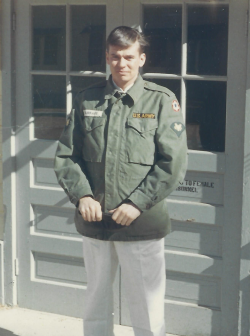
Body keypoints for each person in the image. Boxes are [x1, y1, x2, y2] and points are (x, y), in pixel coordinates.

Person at [54, 26, 187, 336]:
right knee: (95, 302)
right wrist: (83, 197)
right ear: (107, 58)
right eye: (115, 57)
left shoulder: (160, 101)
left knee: (147, 307)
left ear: (141, 59)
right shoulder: (88, 100)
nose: (122, 64)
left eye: (129, 57)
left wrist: (137, 203)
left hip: (141, 224)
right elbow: (67, 156)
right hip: (95, 220)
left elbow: (173, 164)